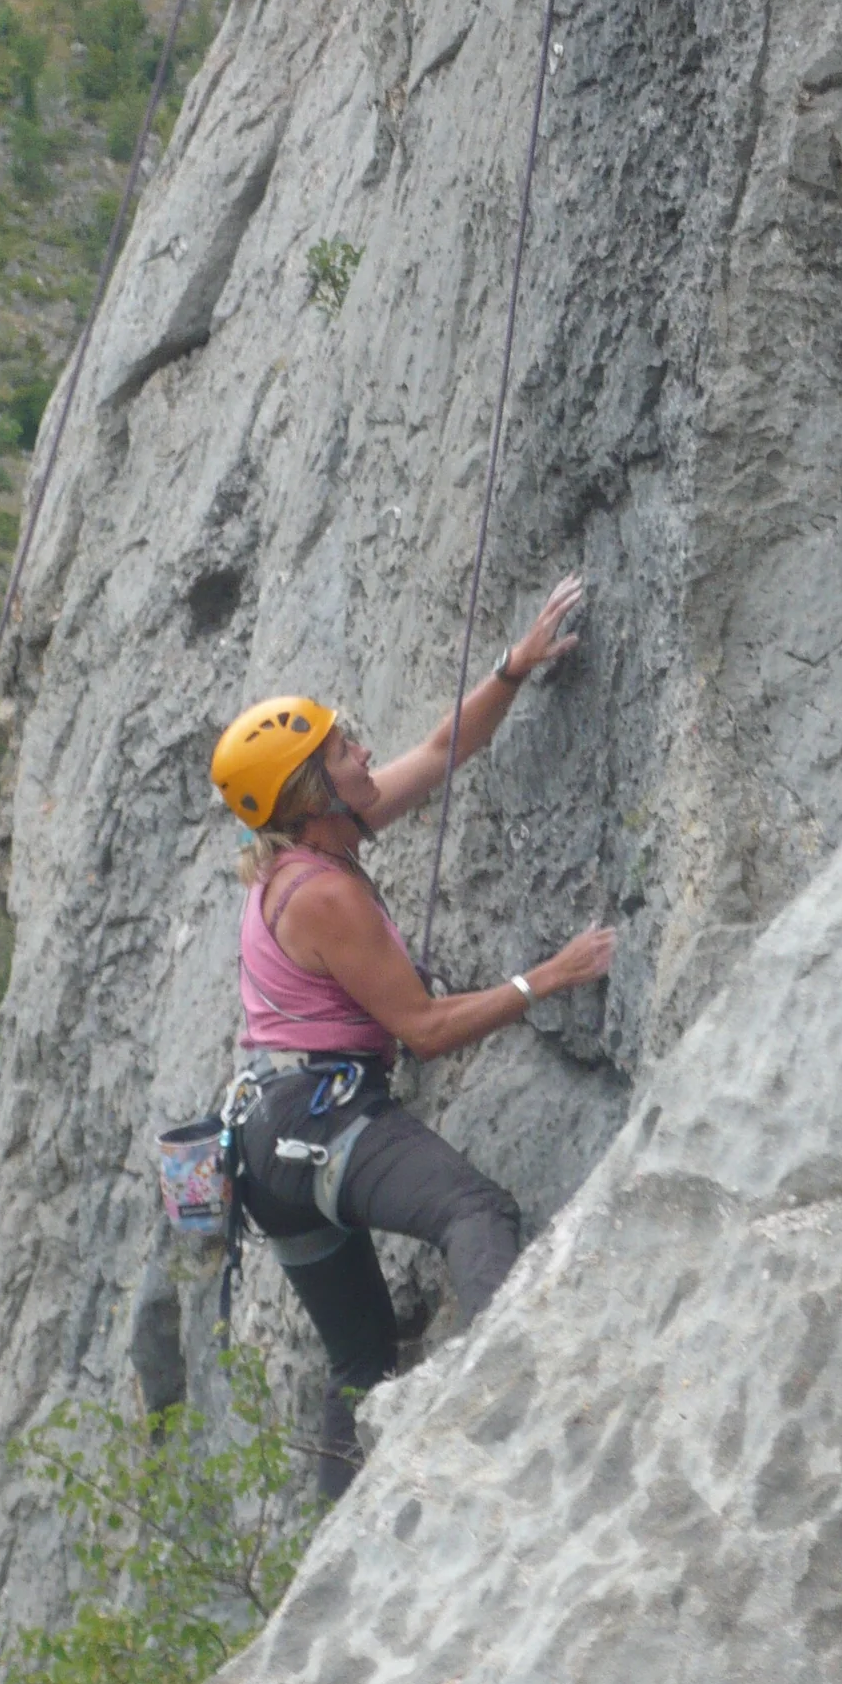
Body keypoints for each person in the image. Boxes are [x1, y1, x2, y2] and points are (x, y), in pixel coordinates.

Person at [209, 572, 616, 1498]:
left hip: (271, 1149)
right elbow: (425, 1030)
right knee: (475, 1213)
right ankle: (517, 1407)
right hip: (321, 1123)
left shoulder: (308, 849)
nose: (362, 751)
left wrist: (513, 668)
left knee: (359, 1359)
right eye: (342, 749)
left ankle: (327, 1559)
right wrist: (543, 978)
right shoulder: (325, 892)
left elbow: (440, 750)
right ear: (314, 797)